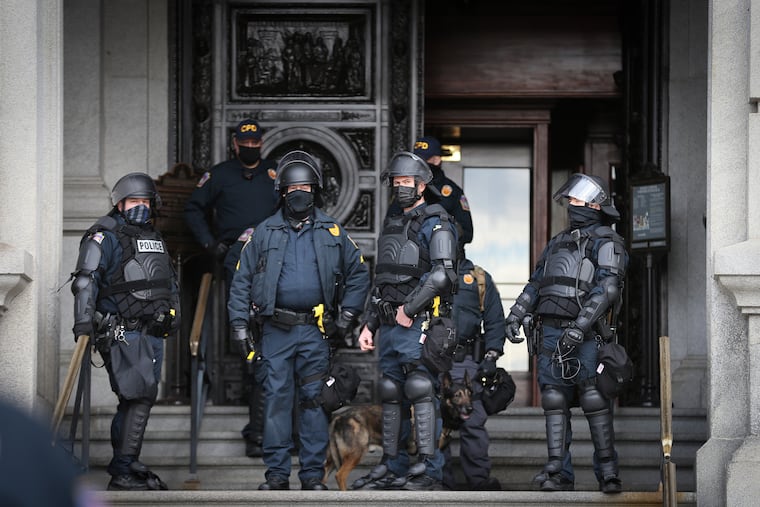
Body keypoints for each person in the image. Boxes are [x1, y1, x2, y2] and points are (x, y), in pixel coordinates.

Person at [227, 150, 370, 491]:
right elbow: (241, 280)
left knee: (313, 403)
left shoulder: (333, 232)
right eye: (293, 189)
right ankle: (276, 475)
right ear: (282, 193)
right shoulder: (263, 232)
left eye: (305, 187)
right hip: (275, 330)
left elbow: (359, 273)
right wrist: (238, 325)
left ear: (316, 190)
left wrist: (347, 316)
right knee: (276, 401)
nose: (300, 193)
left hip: (315, 332)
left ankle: (311, 476)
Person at [503, 173, 627, 494]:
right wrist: (516, 314)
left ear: (595, 205)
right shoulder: (557, 242)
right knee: (554, 400)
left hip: (587, 337)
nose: (571, 207)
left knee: (593, 399)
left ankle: (609, 472)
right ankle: (557, 471)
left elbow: (607, 290)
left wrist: (580, 327)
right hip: (549, 335)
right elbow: (536, 284)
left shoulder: (607, 242)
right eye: (569, 201)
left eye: (576, 201)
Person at [353, 150, 459, 491]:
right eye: (396, 182)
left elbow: (443, 276)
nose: (401, 187)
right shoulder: (393, 223)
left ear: (422, 184)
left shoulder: (438, 222)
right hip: (388, 326)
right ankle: (393, 465)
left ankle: (429, 469)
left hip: (419, 324)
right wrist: (369, 322)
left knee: (421, 389)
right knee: (390, 392)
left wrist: (409, 310)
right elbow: (381, 279)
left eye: (406, 182)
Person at [71, 172, 179, 490]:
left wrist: (172, 316)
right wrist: (83, 321)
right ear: (119, 203)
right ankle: (123, 469)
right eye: (134, 201)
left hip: (150, 332)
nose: (140, 207)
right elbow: (85, 279)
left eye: (145, 201)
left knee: (137, 397)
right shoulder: (104, 235)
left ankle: (126, 464)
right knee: (138, 395)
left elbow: (167, 281)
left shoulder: (154, 238)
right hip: (119, 329)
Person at [184, 118, 278, 458]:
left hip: (275, 261)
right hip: (234, 260)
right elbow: (193, 210)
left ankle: (264, 423)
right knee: (248, 331)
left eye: (256, 142)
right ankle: (254, 413)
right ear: (235, 144)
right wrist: (211, 244)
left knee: (268, 335)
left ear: (261, 143)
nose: (251, 146)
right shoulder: (220, 174)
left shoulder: (274, 173)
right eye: (245, 142)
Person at [442, 252, 506, 491]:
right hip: (432, 359)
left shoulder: (479, 278)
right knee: (434, 420)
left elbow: (495, 321)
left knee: (473, 421)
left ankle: (478, 481)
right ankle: (439, 478)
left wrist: (491, 355)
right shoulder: (427, 272)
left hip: (466, 360)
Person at [387, 136, 473, 245]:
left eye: (423, 160)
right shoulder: (406, 189)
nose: (418, 165)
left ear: (437, 160)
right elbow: (389, 224)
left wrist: (440, 228)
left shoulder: (452, 192)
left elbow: (467, 233)